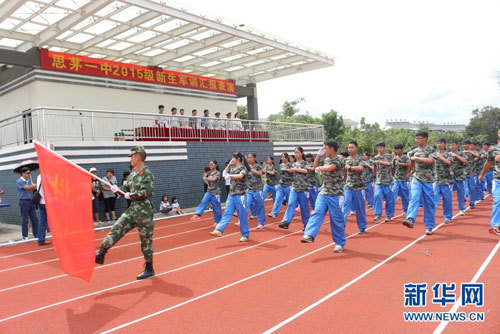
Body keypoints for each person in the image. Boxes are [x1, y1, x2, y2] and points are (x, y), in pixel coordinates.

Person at [95, 146, 156, 280]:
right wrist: (116, 189)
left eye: (132, 157)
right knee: (117, 227)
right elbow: (125, 189)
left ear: (138, 157)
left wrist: (131, 195)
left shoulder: (147, 174)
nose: (131, 159)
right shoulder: (133, 175)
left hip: (144, 211)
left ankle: (149, 268)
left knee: (146, 241)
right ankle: (102, 251)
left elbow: (147, 192)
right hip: (133, 209)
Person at [302, 140, 346, 253]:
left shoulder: (340, 160)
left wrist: (321, 168)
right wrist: (319, 155)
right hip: (324, 192)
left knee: (336, 220)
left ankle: (339, 243)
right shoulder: (326, 159)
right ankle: (309, 235)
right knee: (317, 212)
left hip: (336, 195)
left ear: (332, 148)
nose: (324, 150)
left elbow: (330, 168)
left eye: (325, 148)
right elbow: (314, 167)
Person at [210, 152, 250, 242]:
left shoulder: (243, 168)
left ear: (238, 159)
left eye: (233, 158)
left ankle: (245, 234)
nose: (232, 159)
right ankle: (219, 230)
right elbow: (224, 174)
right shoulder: (232, 168)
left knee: (242, 216)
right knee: (227, 213)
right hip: (231, 195)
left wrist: (230, 175)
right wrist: (229, 165)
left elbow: (240, 176)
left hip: (240, 195)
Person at [403, 131, 437, 235]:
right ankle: (410, 219)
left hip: (428, 180)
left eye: (419, 138)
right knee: (414, 197)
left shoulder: (431, 149)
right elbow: (412, 162)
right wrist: (409, 172)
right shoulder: (415, 151)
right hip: (416, 178)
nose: (417, 140)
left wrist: (417, 158)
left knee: (429, 204)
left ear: (425, 138)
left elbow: (430, 160)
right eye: (416, 138)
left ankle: (429, 226)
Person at [279, 147, 311, 230]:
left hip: (303, 188)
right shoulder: (294, 164)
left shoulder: (305, 163)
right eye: (295, 153)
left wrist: (295, 169)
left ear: (302, 153)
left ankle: (306, 223)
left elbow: (306, 171)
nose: (296, 154)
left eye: (298, 152)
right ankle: (286, 222)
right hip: (294, 187)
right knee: (290, 204)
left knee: (304, 208)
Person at [343, 141, 368, 234]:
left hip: (358, 187)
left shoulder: (360, 159)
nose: (350, 149)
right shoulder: (346, 159)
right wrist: (344, 180)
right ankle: (342, 224)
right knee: (346, 205)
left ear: (356, 148)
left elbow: (361, 168)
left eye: (352, 147)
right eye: (349, 147)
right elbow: (344, 172)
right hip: (348, 186)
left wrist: (349, 167)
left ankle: (362, 226)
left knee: (359, 208)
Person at [479, 126, 500, 235]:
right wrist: (482, 174)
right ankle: (495, 225)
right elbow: (488, 163)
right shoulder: (493, 149)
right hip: (498, 180)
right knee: (498, 201)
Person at [191, 160, 222, 225]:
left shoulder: (218, 173)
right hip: (209, 191)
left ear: (215, 165)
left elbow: (214, 179)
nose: (210, 166)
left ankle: (217, 222)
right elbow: (206, 179)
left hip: (215, 193)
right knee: (203, 202)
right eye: (209, 164)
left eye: (211, 164)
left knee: (216, 208)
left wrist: (206, 178)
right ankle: (197, 214)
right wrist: (205, 176)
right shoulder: (209, 173)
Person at [432, 138, 453, 224]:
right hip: (436, 180)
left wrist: (440, 157)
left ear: (444, 144)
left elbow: (449, 162)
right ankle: (431, 215)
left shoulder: (448, 154)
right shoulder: (433, 154)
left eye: (441, 143)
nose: (439, 145)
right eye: (438, 143)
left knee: (447, 200)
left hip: (446, 180)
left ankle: (447, 216)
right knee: (434, 199)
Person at [373, 142, 395, 222]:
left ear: (384, 148)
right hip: (379, 180)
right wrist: (374, 176)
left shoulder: (388, 156)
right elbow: (375, 168)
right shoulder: (376, 157)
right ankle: (378, 214)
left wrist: (380, 162)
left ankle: (389, 215)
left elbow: (389, 164)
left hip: (388, 181)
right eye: (378, 147)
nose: (379, 149)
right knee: (377, 196)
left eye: (381, 147)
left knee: (389, 199)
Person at [16, 167, 39, 240]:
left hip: (31, 201)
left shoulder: (29, 180)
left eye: (30, 173)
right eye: (28, 173)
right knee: (25, 219)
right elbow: (27, 188)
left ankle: (36, 235)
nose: (29, 174)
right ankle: (25, 236)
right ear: (23, 173)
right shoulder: (19, 181)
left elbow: (34, 188)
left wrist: (36, 185)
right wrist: (36, 184)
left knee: (34, 219)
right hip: (24, 202)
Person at [245, 153, 266, 229]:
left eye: (250, 157)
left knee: (260, 206)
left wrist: (251, 170)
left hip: (257, 189)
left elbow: (261, 173)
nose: (249, 159)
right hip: (249, 190)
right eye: (248, 158)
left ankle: (261, 222)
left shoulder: (258, 166)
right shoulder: (246, 167)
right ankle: (242, 221)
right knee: (246, 205)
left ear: (255, 158)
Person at [268, 153, 293, 218]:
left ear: (287, 158)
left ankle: (290, 213)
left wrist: (285, 169)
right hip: (281, 185)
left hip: (288, 185)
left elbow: (292, 171)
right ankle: (274, 213)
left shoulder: (291, 165)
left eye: (283, 157)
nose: (282, 158)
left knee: (289, 201)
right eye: (281, 157)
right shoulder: (281, 165)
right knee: (278, 199)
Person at [449, 140, 467, 216]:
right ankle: (448, 212)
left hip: (459, 176)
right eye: (450, 145)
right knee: (447, 194)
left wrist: (456, 156)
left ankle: (461, 208)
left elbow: (465, 161)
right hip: (449, 176)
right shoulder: (447, 154)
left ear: (457, 145)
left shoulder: (461, 153)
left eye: (453, 144)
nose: (451, 146)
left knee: (460, 193)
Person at [392, 144, 410, 215]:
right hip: (396, 179)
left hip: (403, 179)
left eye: (398, 149)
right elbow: (392, 167)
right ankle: (390, 212)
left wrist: (401, 164)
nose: (397, 151)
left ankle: (406, 209)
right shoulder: (395, 158)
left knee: (405, 195)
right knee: (393, 194)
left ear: (401, 149)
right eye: (396, 149)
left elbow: (409, 164)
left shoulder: (405, 157)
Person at [462, 140, 479, 209]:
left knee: (472, 189)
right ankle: (463, 199)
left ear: (469, 145)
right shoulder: (461, 153)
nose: (464, 145)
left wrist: (469, 152)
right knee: (464, 188)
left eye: (466, 144)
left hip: (472, 174)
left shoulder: (473, 152)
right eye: (463, 144)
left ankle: (472, 203)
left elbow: (478, 155)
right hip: (463, 174)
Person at [36, 173, 51, 246]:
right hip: (47, 201)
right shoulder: (47, 176)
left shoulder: (39, 176)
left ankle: (41, 239)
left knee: (42, 221)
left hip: (41, 201)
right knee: (55, 220)